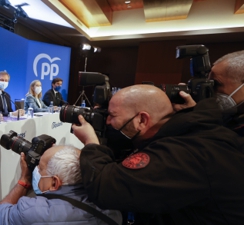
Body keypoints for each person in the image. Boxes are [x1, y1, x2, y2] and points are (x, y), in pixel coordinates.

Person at [72, 84, 244, 224]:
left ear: (142, 120)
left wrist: (91, 142)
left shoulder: (182, 152)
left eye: (111, 116)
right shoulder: (190, 130)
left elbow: (106, 188)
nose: (107, 121)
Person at [0, 145, 122, 225]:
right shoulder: (110, 203)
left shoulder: (30, 210)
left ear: (54, 182)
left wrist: (25, 179)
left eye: (40, 168)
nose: (37, 171)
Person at [173, 50, 244, 135]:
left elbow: (219, 146)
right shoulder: (232, 117)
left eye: (216, 84)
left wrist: (196, 118)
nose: (211, 91)